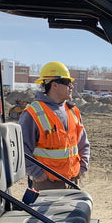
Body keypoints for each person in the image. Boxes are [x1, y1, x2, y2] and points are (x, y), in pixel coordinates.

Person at [19, 61, 90, 190]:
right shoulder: (33, 113)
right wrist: (37, 174)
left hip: (72, 180)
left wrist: (83, 166)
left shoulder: (73, 111)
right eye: (67, 83)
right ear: (54, 85)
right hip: (47, 183)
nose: (72, 86)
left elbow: (83, 143)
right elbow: (22, 149)